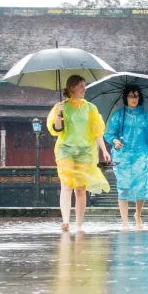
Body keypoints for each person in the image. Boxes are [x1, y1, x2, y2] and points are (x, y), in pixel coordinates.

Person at [47, 74, 111, 232]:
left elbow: (97, 132)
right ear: (71, 87)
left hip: (84, 152)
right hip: (65, 150)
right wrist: (59, 114)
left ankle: (79, 224)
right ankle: (66, 221)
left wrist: (104, 150)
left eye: (85, 86)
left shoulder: (90, 108)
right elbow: (56, 129)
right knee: (67, 185)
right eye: (81, 86)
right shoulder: (61, 107)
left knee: (81, 189)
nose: (84, 89)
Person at [104, 85, 148, 230]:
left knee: (140, 186)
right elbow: (108, 133)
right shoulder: (119, 115)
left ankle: (138, 215)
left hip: (140, 155)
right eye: (131, 96)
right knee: (123, 187)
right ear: (126, 97)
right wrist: (115, 141)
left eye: (136, 96)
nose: (134, 99)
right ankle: (124, 221)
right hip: (122, 155)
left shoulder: (146, 118)